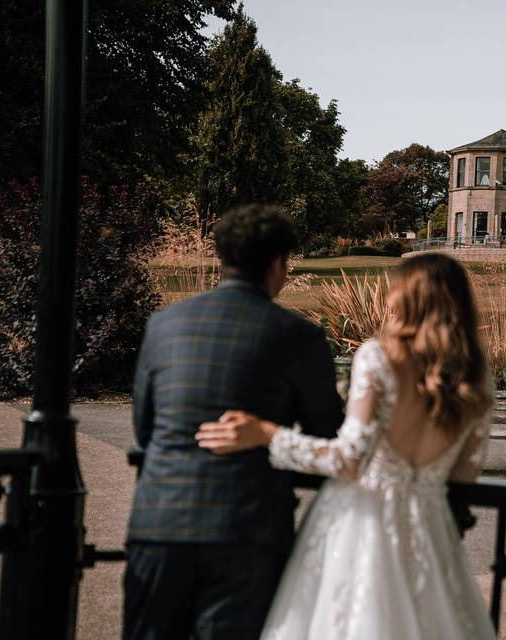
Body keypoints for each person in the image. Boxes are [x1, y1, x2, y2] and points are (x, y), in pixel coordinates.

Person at [196, 253, 498, 639]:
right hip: (431, 527)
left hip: (362, 526)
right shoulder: (477, 379)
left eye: (395, 289)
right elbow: (465, 473)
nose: (388, 298)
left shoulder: (379, 358)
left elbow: (348, 459)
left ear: (408, 298)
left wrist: (268, 434)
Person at [123, 204, 343, 640]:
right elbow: (326, 434)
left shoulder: (163, 325)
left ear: (224, 256)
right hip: (247, 528)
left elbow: (145, 426)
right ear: (279, 262)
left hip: (159, 520)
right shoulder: (298, 335)